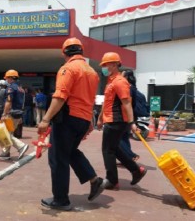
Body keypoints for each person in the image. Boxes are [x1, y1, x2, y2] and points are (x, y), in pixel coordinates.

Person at [37, 37, 104, 211]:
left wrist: (45, 119)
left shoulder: (68, 69)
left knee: (58, 158)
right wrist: (89, 120)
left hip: (68, 118)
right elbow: (90, 99)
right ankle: (94, 180)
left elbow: (60, 96)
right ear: (81, 51)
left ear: (64, 53)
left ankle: (61, 200)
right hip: (82, 119)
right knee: (70, 152)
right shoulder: (92, 72)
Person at [97, 52, 147, 190]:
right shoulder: (111, 82)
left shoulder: (120, 82)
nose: (104, 68)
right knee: (115, 149)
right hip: (111, 120)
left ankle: (112, 180)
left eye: (105, 65)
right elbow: (106, 103)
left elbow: (126, 103)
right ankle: (137, 171)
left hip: (116, 121)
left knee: (107, 150)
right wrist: (101, 118)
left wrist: (132, 123)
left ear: (114, 64)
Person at [0, 69, 29, 160]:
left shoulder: (10, 88)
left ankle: (21, 146)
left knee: (4, 134)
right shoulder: (21, 89)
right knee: (8, 133)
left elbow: (9, 101)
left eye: (7, 78)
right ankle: (5, 152)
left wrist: (4, 113)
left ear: (11, 78)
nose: (6, 80)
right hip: (18, 113)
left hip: (11, 113)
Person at [119, 69, 140, 161]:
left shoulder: (129, 88)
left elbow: (128, 103)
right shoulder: (133, 87)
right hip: (130, 115)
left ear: (126, 77)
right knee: (124, 137)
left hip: (126, 115)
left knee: (118, 138)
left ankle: (131, 155)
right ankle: (128, 157)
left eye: (122, 75)